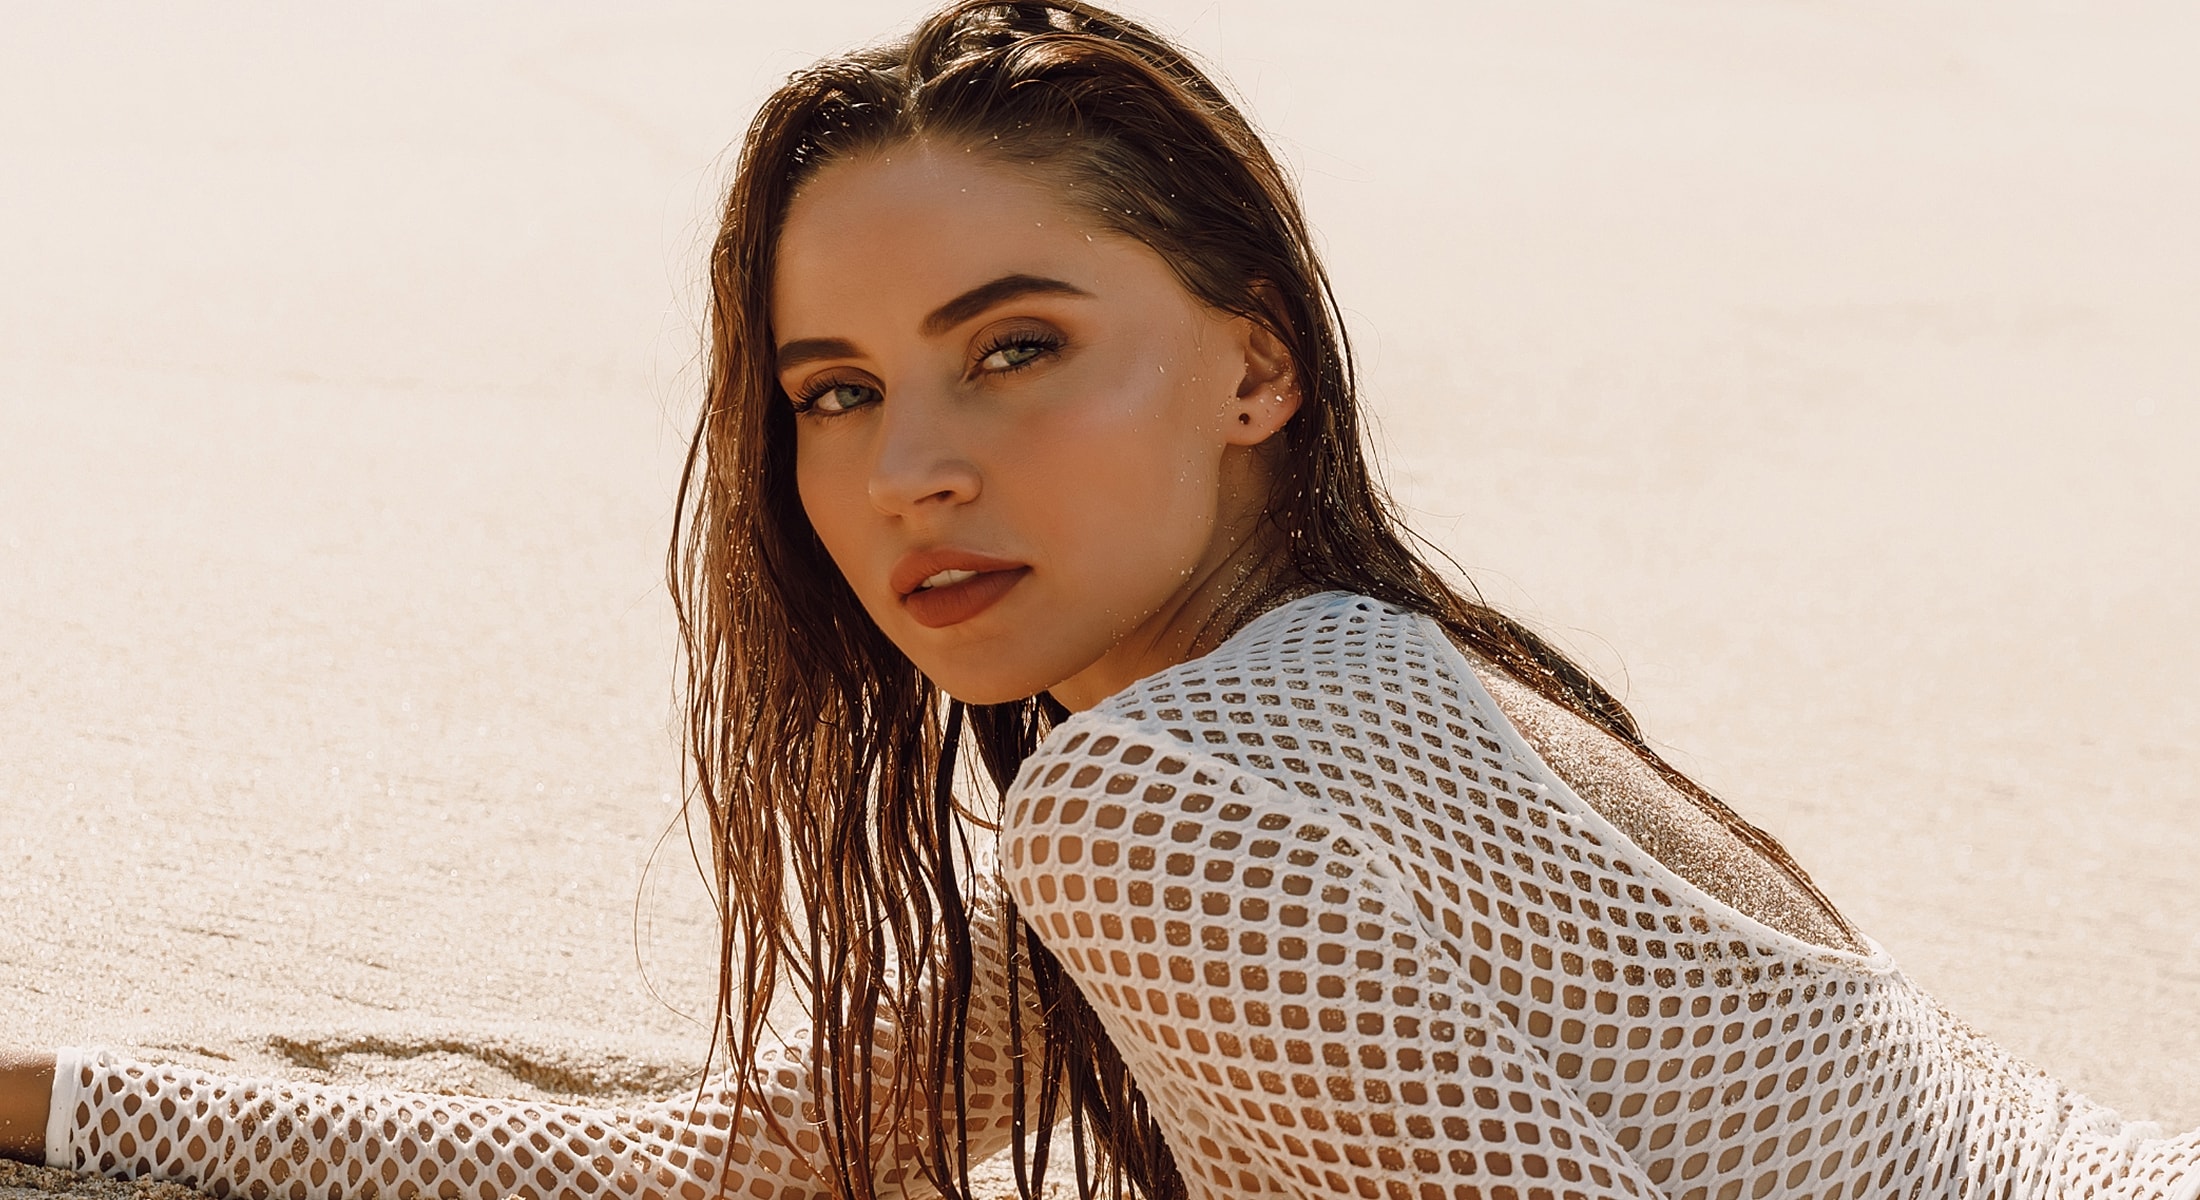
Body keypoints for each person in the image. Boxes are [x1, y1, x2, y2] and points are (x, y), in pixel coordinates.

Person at [3, 2, 2195, 1198]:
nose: (908, 466)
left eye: (1017, 346)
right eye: (834, 390)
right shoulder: (1344, 687)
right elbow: (743, 1156)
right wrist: (61, 1094)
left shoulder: (1166, 800)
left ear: (1254, 363)